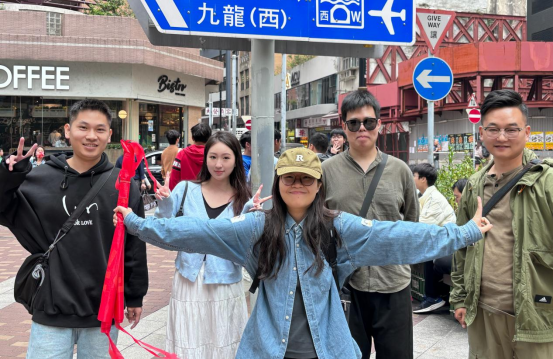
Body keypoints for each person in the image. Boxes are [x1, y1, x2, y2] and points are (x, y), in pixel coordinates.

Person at [114, 147, 492, 359]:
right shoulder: (256, 227)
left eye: (306, 179)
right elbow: (197, 231)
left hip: (328, 349)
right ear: (278, 183)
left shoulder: (338, 227)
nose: (298, 184)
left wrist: (463, 233)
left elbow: (395, 236)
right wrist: (137, 223)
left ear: (319, 185)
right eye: (289, 178)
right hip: (266, 349)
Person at [0, 99, 148, 358]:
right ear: (68, 131)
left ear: (109, 134)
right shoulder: (39, 178)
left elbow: (134, 245)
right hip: (51, 307)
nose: (91, 136)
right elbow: (5, 209)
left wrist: (135, 296)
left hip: (103, 310)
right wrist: (9, 176)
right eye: (83, 127)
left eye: (100, 129)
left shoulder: (122, 185)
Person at [451, 89, 553, 359]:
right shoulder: (474, 185)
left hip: (538, 316)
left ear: (527, 132)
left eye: (511, 129)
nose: (502, 137)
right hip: (483, 312)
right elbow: (461, 246)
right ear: (482, 133)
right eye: (493, 129)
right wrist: (459, 297)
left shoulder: (547, 182)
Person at [322, 90, 420, 359]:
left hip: (394, 284)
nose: (362, 128)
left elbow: (412, 224)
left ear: (380, 124)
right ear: (344, 127)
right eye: (354, 123)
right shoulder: (327, 171)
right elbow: (317, 224)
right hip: (347, 287)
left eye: (369, 122)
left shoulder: (400, 170)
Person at [153, 131, 261, 358]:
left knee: (224, 345)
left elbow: (247, 246)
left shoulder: (244, 198)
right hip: (188, 280)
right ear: (205, 159)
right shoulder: (185, 189)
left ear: (236, 160)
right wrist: (164, 203)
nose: (218, 164)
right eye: (213, 157)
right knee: (188, 343)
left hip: (225, 283)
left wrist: (251, 217)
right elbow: (164, 228)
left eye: (226, 157)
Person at [411, 163, 456, 313]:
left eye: (414, 176)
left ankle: (432, 297)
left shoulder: (435, 199)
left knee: (426, 252)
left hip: (448, 244)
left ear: (423, 179)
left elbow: (422, 226)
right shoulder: (424, 196)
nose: (412, 178)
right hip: (441, 241)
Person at [169, 123, 211, 190]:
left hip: (186, 193)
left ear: (192, 138)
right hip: (208, 193)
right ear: (209, 138)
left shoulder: (182, 154)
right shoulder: (213, 155)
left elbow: (173, 179)